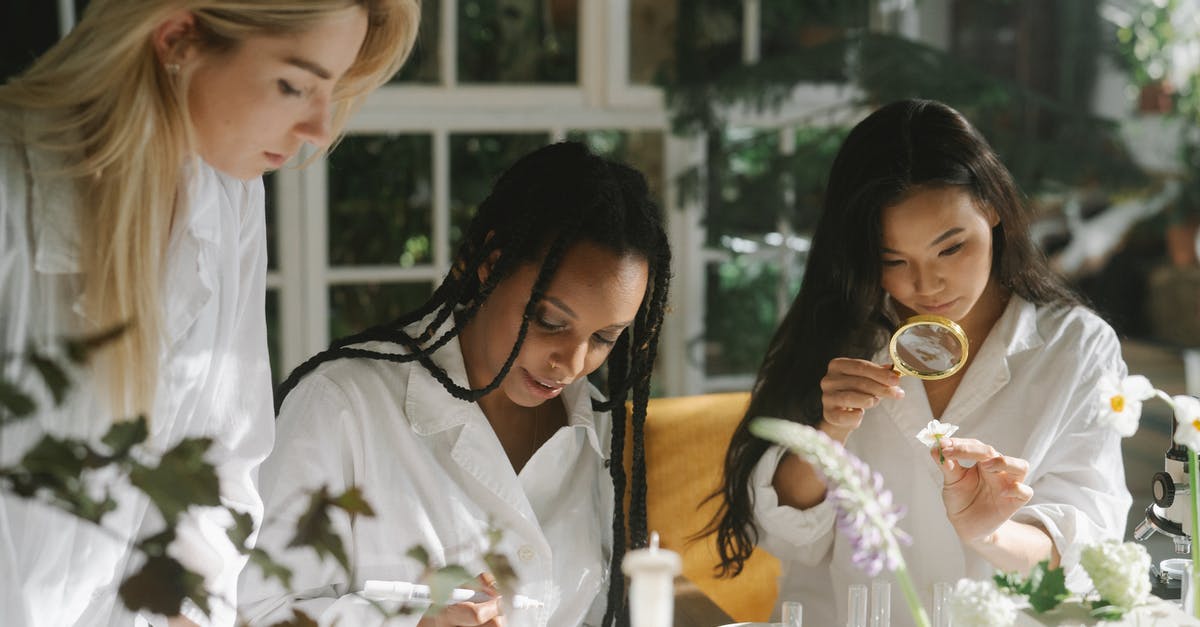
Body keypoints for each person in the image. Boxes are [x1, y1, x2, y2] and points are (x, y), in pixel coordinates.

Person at [0, 2, 418, 625]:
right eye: (294, 86)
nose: (319, 129)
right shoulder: (12, 195)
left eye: (332, 90)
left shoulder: (229, 196)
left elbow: (220, 468)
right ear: (177, 39)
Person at [710, 99, 1131, 626]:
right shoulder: (836, 330)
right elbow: (782, 535)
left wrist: (989, 531)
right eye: (893, 260)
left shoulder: (1074, 349)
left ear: (993, 209)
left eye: (951, 249)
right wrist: (828, 434)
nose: (925, 285)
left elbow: (1088, 549)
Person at [237, 141, 672, 627]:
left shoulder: (602, 437)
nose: (570, 363)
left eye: (603, 338)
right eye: (550, 321)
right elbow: (256, 613)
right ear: (489, 266)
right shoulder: (344, 406)